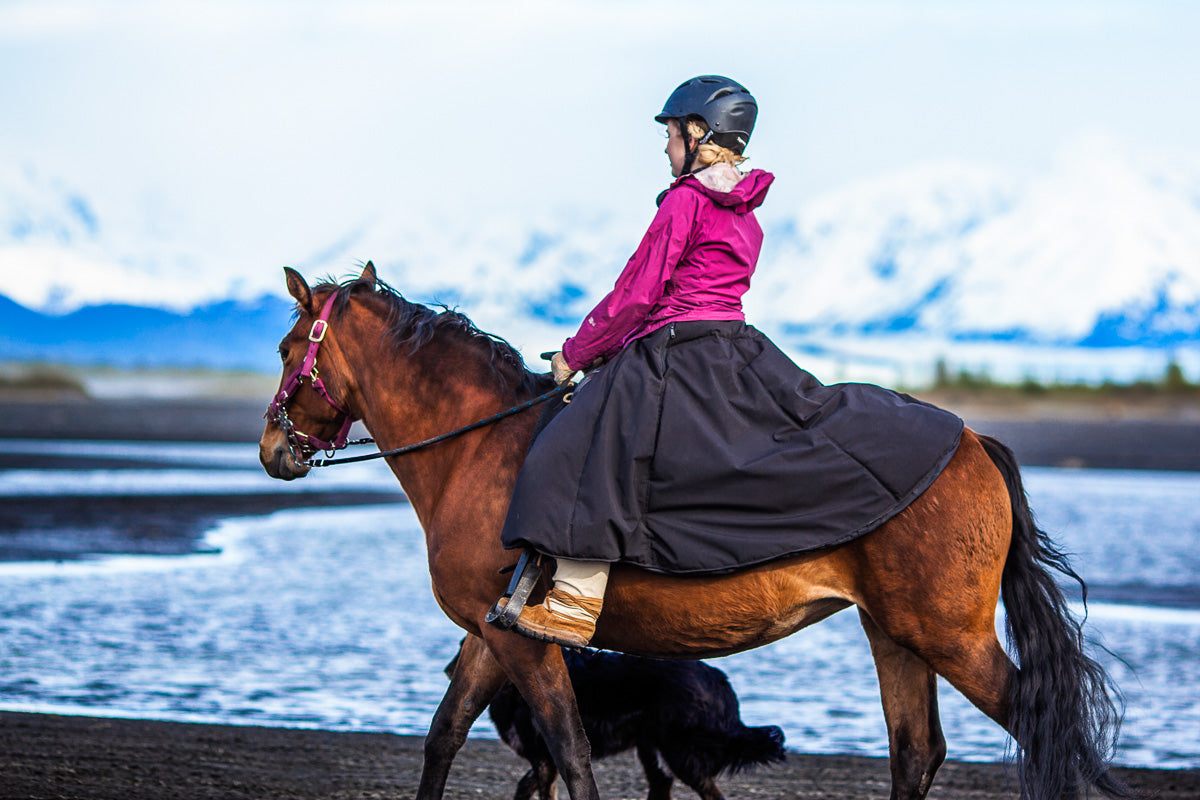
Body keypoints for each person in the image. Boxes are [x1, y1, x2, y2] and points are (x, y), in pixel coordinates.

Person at [494, 76, 962, 648]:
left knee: (574, 445)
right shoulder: (746, 211)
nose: (665, 147)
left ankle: (574, 599)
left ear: (698, 133)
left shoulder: (687, 202)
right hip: (734, 347)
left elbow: (638, 293)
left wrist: (577, 353)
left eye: (670, 133)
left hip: (676, 350)